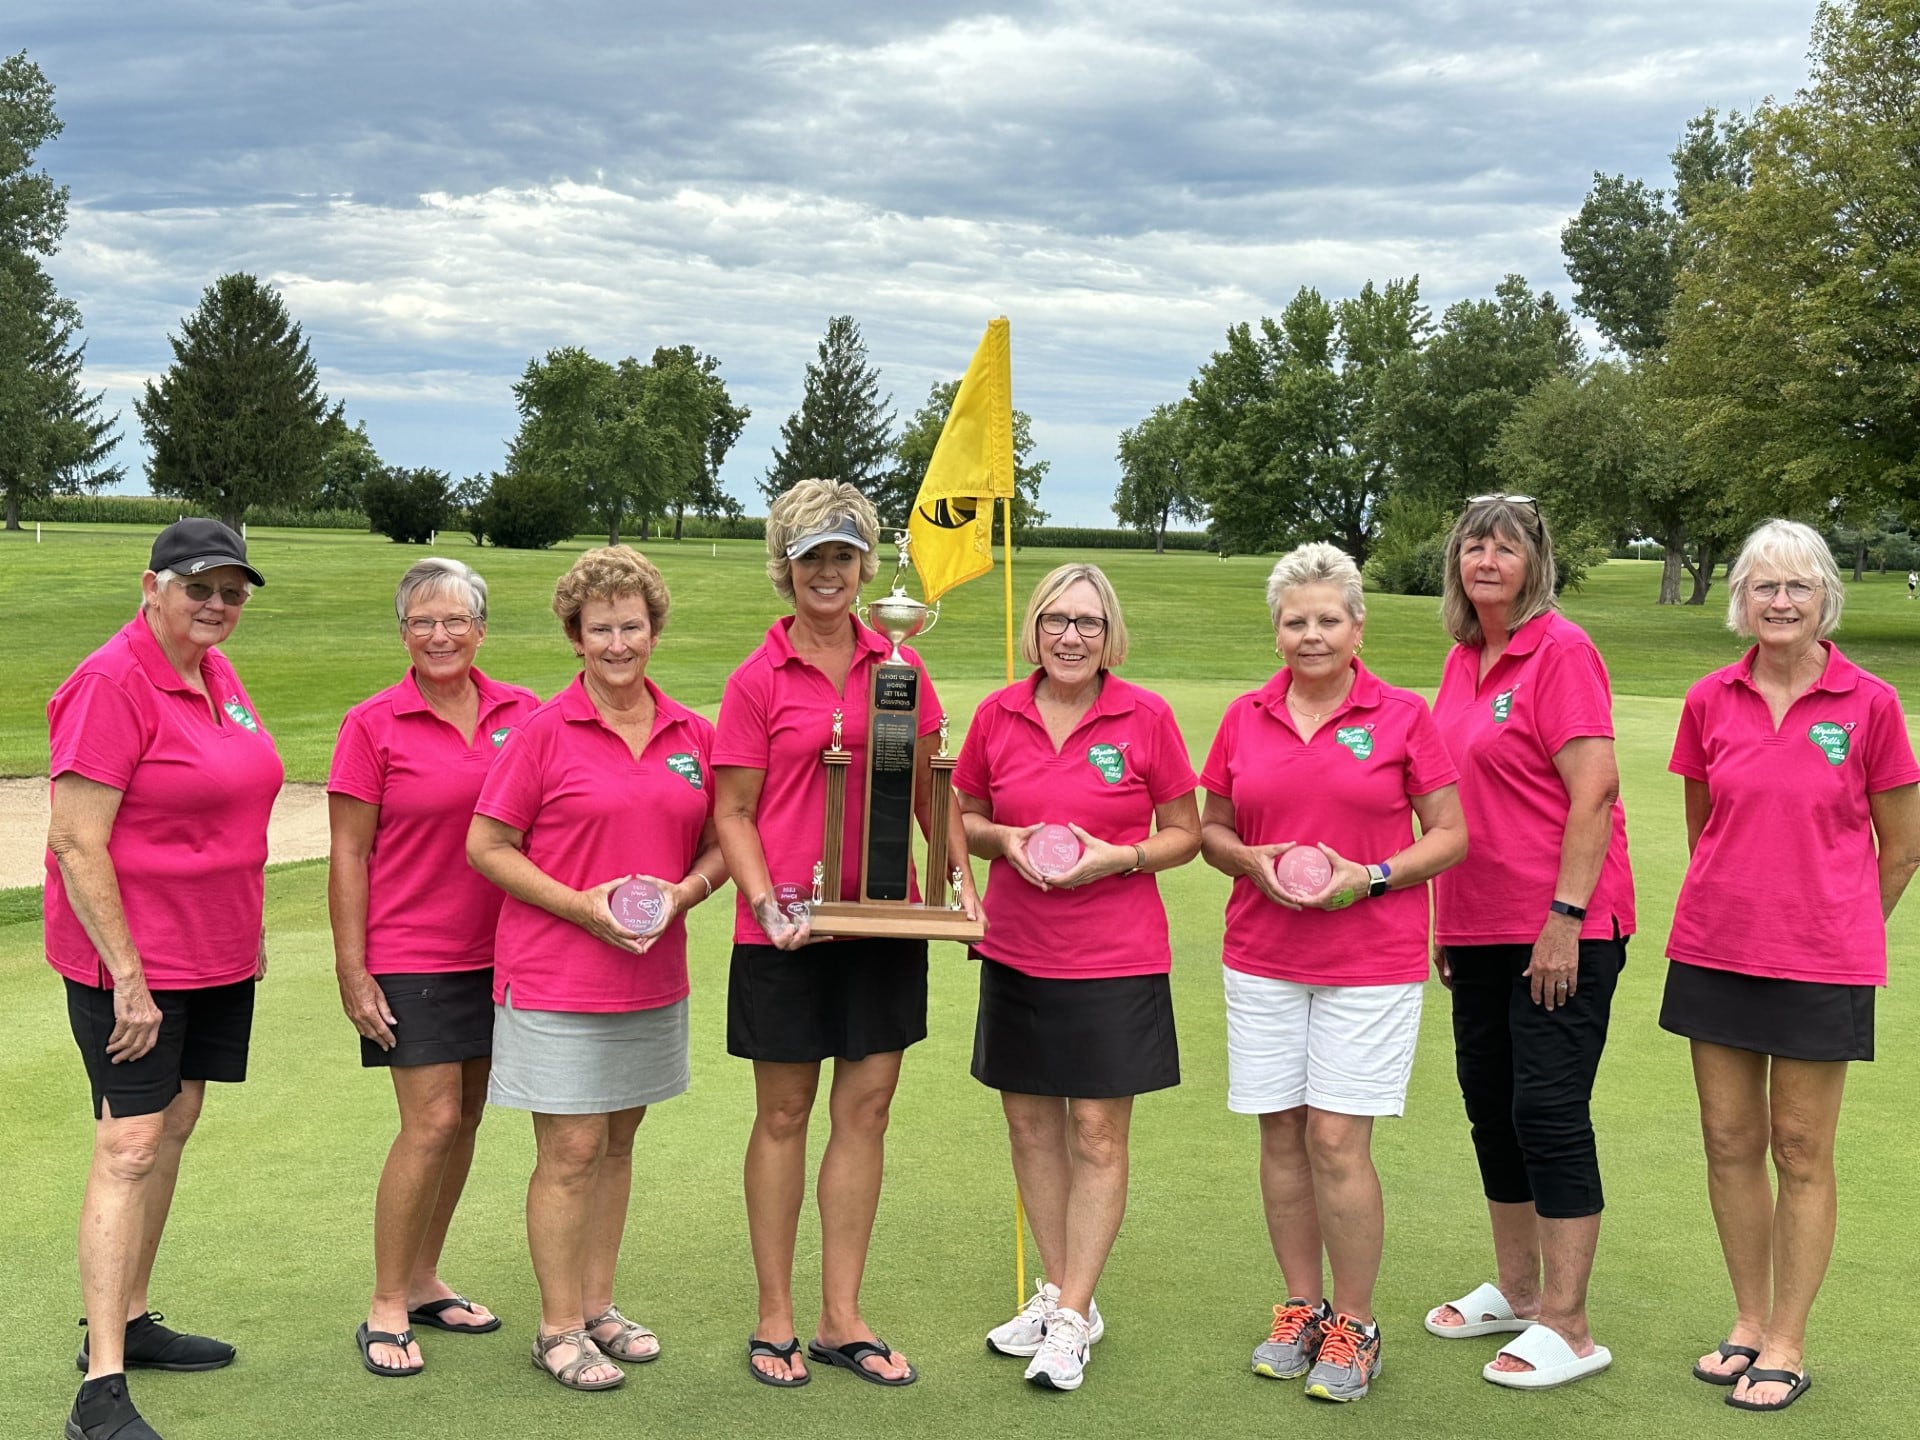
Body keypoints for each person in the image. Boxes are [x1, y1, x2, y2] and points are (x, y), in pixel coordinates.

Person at [713, 479, 979, 1389]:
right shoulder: (756, 679)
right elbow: (734, 812)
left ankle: (841, 1316)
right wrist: (763, 903)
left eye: (843, 555)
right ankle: (775, 1315)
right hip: (784, 930)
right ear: (785, 571)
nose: (829, 572)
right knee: (783, 1114)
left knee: (866, 1112)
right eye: (811, 557)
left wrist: (960, 887)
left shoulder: (900, 665)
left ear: (867, 566)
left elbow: (934, 793)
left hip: (886, 918)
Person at [1197, 543, 1467, 1404]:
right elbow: (1212, 831)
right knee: (1280, 1134)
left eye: (1326, 619)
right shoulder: (1245, 716)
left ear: (1358, 625)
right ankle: (1300, 1307)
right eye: (1294, 620)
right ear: (1276, 631)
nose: (1310, 634)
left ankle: (1355, 1322)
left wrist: (1371, 875)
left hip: (1369, 962)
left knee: (1336, 1140)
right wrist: (1250, 857)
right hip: (1264, 955)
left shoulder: (1402, 716)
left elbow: (1450, 834)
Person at [1661, 520, 1920, 1412]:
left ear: (1824, 600)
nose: (1780, 602)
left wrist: (1841, 930)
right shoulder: (1708, 700)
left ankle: (1788, 1340)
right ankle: (1746, 1320)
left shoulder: (1870, 703)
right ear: (1742, 600)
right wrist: (1746, 905)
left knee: (1801, 1149)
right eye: (1764, 587)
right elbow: (1705, 828)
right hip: (1715, 948)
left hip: (1823, 961)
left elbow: (1902, 846)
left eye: (1797, 588)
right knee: (1729, 1142)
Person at [45, 519, 284, 1440]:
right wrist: (129, 978)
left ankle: (134, 1321)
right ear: (151, 586)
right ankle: (100, 1389)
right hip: (134, 966)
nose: (218, 605)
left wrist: (249, 926)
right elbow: (75, 840)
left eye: (232, 591)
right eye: (199, 588)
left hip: (217, 952)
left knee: (175, 1124)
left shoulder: (215, 674)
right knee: (130, 1145)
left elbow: (229, 804)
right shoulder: (112, 681)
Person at [466, 546, 726, 1393]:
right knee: (571, 1147)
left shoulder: (695, 733)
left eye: (632, 625)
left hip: (651, 973)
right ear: (576, 638)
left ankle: (600, 1304)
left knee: (618, 1141)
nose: (618, 643)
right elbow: (487, 845)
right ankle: (556, 1327)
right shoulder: (543, 731)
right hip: (555, 973)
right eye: (600, 629)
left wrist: (684, 894)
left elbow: (727, 842)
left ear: (655, 630)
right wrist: (583, 905)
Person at [954, 563, 1201, 1393]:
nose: (1070, 636)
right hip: (1018, 948)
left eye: (1088, 623)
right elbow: (964, 815)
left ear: (1109, 635)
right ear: (1035, 627)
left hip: (1116, 956)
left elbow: (1184, 833)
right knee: (1030, 1129)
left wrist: (1118, 857)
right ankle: (1066, 1299)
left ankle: (1072, 1314)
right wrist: (1008, 841)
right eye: (1057, 620)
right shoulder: (998, 713)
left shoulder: (1146, 716)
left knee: (1096, 1133)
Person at [1423, 494, 1634, 1391]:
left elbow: (1594, 791)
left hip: (1562, 923)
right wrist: (1445, 920)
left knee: (1548, 1114)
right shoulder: (1464, 658)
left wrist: (1566, 918)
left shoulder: (1563, 650)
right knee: (1492, 1109)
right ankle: (1516, 1291)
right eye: (1474, 543)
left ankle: (1571, 1323)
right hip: (1476, 923)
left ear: (1535, 562)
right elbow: (1452, 800)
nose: (1487, 557)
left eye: (1506, 546)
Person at [327, 557, 540, 1376]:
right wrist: (353, 970)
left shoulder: (523, 712)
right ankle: (385, 1303)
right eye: (423, 621)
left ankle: (421, 1278)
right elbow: (349, 853)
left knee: (471, 1116)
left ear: (481, 629)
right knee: (432, 1122)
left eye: (456, 620)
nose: (440, 635)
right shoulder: (372, 724)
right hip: (410, 952)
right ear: (403, 632)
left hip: (506, 952)